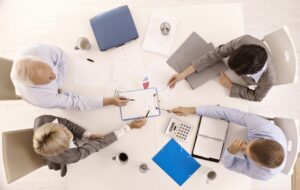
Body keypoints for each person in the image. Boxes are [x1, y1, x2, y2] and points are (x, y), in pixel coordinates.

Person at [171, 106, 286, 180]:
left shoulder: (261, 174)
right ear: (262, 138)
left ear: (257, 163)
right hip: (235, 128)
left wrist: (231, 152)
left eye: (246, 151)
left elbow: (230, 165)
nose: (244, 145)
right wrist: (193, 110)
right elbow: (228, 113)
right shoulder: (263, 127)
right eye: (250, 143)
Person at [10, 44, 129, 110]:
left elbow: (63, 57)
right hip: (43, 98)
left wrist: (59, 81)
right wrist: (112, 101)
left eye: (50, 69)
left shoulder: (35, 51)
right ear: (35, 86)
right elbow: (76, 102)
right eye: (48, 79)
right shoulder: (42, 98)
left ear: (41, 61)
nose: (54, 75)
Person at [167, 35, 276, 102]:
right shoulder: (243, 41)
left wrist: (229, 86)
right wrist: (183, 74)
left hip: (238, 84)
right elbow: (216, 54)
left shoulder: (270, 80)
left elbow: (257, 97)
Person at [33, 114, 147, 177]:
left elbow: (67, 124)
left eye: (64, 130)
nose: (70, 134)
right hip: (60, 158)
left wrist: (86, 136)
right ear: (64, 148)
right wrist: (129, 127)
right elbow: (98, 145)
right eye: (68, 139)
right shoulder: (70, 156)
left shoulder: (43, 119)